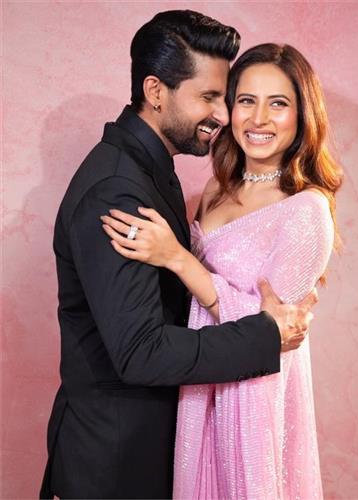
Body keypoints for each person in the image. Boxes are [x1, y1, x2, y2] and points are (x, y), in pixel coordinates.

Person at [40, 12, 317, 500]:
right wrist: (266, 335)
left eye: (223, 97)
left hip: (162, 445)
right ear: (155, 91)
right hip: (116, 462)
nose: (222, 115)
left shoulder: (153, 169)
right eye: (209, 97)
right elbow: (141, 352)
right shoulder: (118, 191)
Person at [102, 43, 343, 499]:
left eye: (278, 104)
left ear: (302, 115)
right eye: (246, 100)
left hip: (252, 404)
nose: (259, 119)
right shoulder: (215, 189)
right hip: (199, 388)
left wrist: (176, 257)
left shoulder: (306, 211)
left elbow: (266, 333)